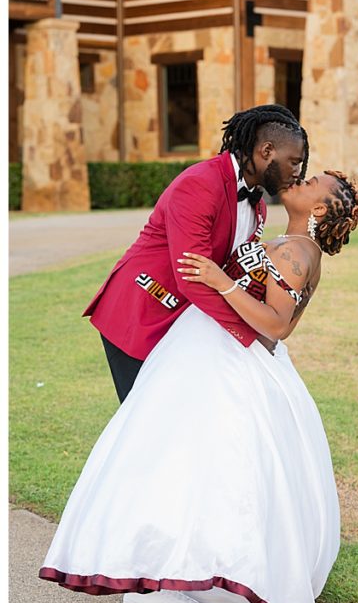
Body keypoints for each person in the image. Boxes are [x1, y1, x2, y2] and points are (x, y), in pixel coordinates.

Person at [39, 169, 358, 603]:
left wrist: (219, 280)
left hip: (224, 359)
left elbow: (277, 325)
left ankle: (161, 580)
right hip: (204, 352)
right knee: (201, 463)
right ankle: (189, 570)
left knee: (182, 458)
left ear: (319, 208)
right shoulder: (284, 239)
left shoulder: (297, 251)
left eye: (313, 181)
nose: (301, 177)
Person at [84, 104, 309, 404]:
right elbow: (192, 277)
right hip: (141, 313)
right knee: (146, 419)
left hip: (188, 324)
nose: (298, 173)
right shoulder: (201, 184)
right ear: (266, 151)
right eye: (294, 162)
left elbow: (234, 272)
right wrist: (249, 334)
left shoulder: (259, 207)